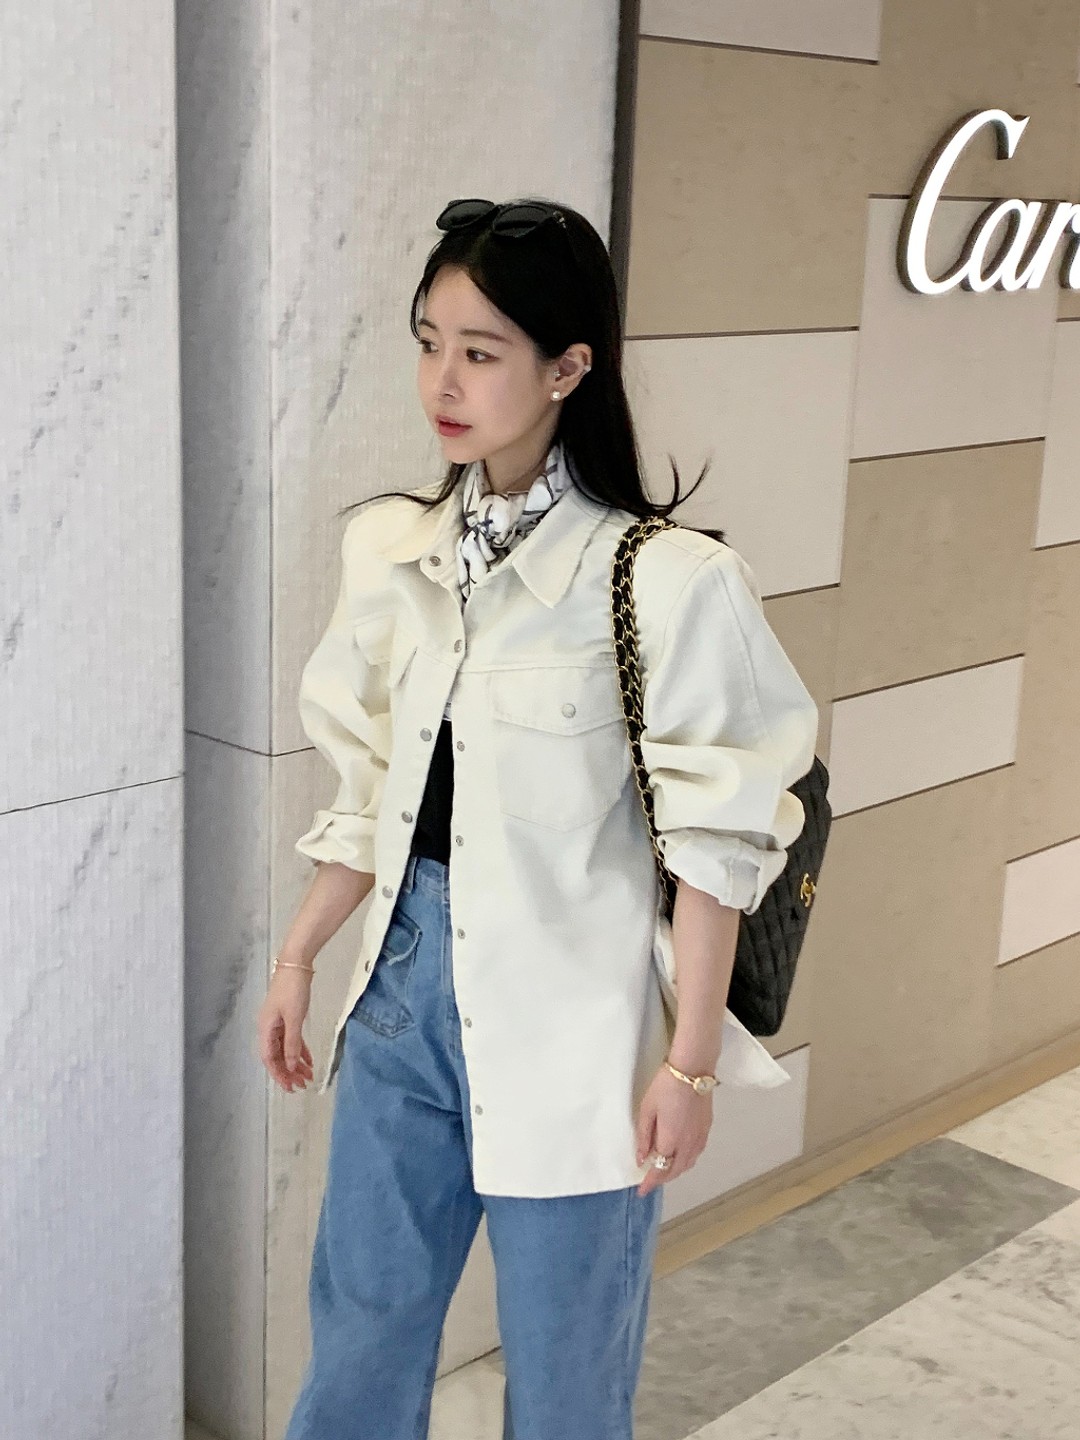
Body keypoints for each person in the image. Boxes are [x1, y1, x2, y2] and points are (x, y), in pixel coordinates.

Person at [258, 196, 819, 1440]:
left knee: (568, 1379)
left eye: (480, 351)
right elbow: (376, 791)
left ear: (569, 368)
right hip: (402, 992)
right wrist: (300, 956)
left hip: (578, 1021)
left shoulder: (669, 581)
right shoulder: (391, 550)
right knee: (358, 1346)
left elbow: (715, 849)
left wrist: (689, 1064)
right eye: (428, 343)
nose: (442, 383)